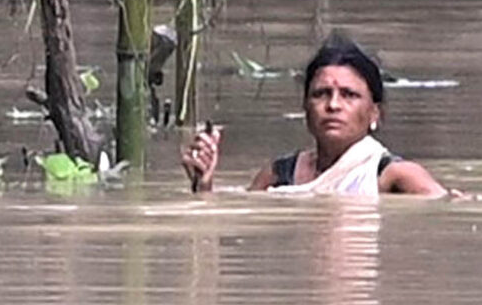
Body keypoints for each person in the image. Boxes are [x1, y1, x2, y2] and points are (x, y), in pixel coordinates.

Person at [182, 37, 452, 198]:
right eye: (321, 94)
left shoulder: (393, 176)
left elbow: (448, 207)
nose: (333, 105)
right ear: (305, 107)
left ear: (374, 113)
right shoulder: (279, 174)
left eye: (349, 95)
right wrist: (203, 184)